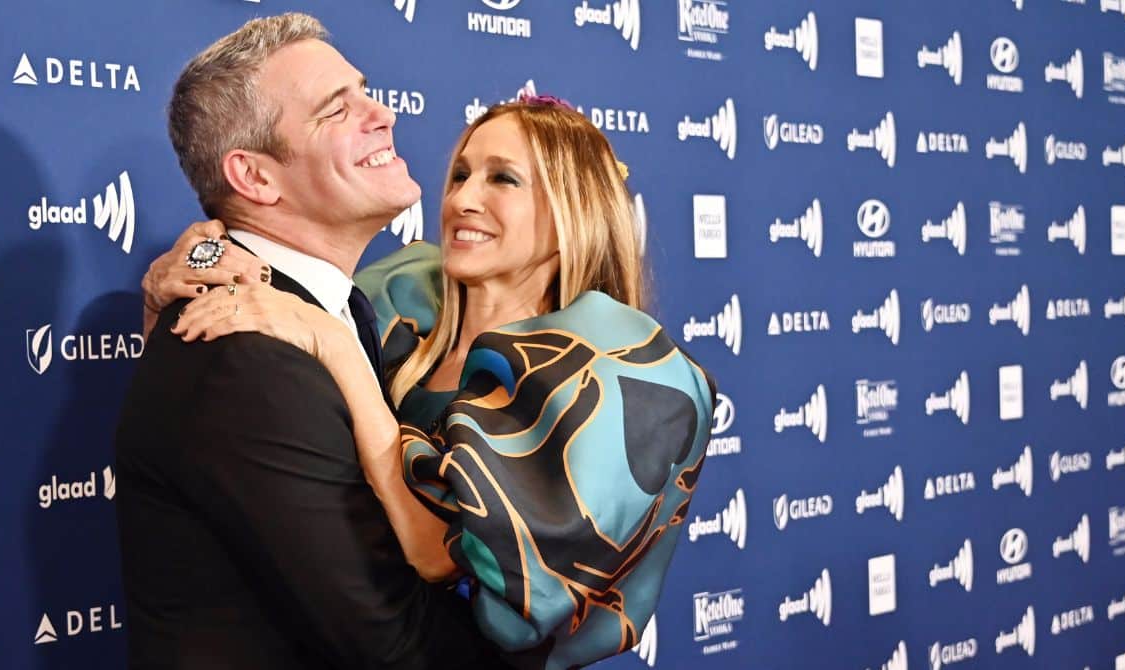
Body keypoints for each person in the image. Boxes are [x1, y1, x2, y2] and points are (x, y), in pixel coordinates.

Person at [148, 94, 718, 668]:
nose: (462, 200)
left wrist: (335, 347)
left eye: (504, 180)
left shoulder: (618, 372)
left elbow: (434, 553)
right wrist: (180, 282)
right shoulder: (397, 303)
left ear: (574, 208)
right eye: (462, 175)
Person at [114, 13, 510, 669]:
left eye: (365, 89)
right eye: (337, 108)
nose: (381, 112)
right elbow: (390, 646)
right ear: (256, 177)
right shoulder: (247, 356)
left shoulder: (340, 309)